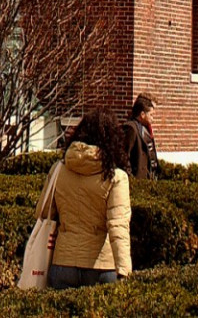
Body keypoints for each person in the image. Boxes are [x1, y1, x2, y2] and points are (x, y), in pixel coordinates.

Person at [40, 111, 133, 290]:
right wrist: (124, 271)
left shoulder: (58, 170)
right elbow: (118, 226)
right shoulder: (115, 177)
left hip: (63, 263)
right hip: (102, 266)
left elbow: (44, 213)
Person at [125, 93, 162, 180]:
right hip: (137, 181)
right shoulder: (130, 128)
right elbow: (124, 157)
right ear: (142, 114)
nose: (153, 118)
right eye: (151, 115)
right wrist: (131, 179)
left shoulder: (146, 128)